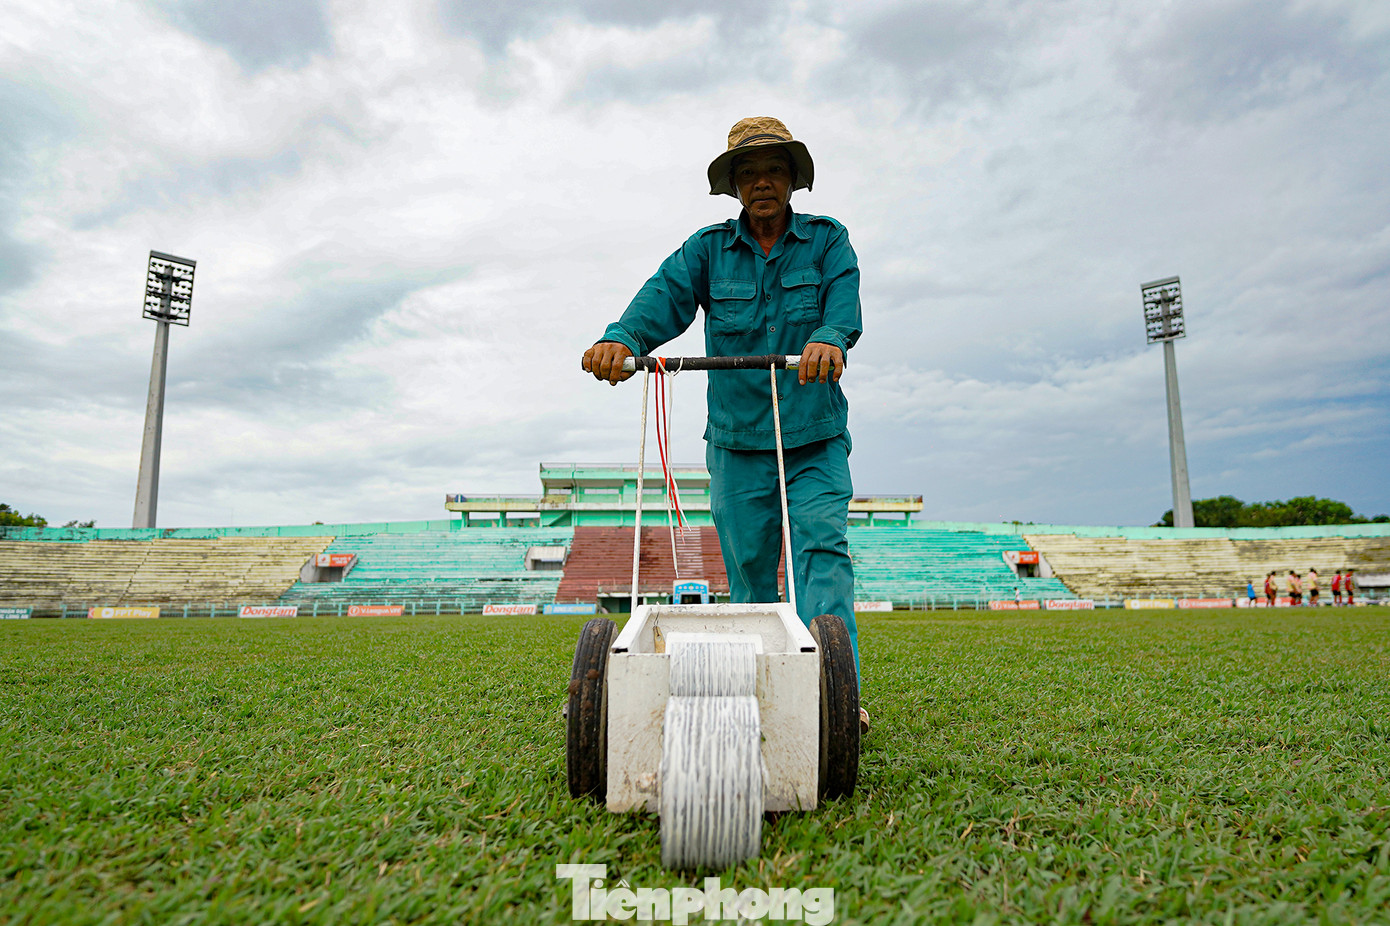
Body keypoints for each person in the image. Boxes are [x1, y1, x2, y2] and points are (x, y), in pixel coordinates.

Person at [582, 117, 867, 732]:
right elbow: (664, 297)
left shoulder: (827, 241)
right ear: (734, 186)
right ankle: (765, 694)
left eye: (773, 170)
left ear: (792, 179)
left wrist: (828, 336)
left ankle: (834, 697)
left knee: (823, 550)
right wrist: (622, 338)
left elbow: (842, 308)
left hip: (814, 434)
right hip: (738, 444)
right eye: (748, 172)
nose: (762, 182)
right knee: (751, 575)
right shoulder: (707, 250)